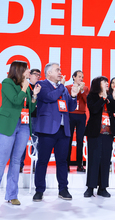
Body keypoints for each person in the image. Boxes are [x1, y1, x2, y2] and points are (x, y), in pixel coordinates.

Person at [0, 61, 41, 205]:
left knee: (16, 161)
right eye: (27, 69)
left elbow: (30, 108)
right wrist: (24, 89)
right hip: (7, 124)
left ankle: (12, 194)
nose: (29, 72)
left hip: (23, 125)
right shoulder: (8, 82)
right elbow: (15, 101)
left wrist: (33, 96)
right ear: (19, 70)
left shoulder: (26, 86)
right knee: (1, 160)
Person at [32, 62, 78, 202]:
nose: (60, 72)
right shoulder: (41, 84)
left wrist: (74, 96)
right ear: (49, 73)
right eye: (57, 70)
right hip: (47, 129)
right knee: (42, 161)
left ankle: (63, 189)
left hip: (63, 130)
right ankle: (39, 190)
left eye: (60, 69)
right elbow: (49, 97)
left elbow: (70, 106)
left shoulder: (62, 89)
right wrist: (63, 86)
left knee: (63, 161)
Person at [83, 76, 115, 198]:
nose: (106, 83)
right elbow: (93, 110)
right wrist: (103, 98)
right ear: (97, 84)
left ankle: (103, 187)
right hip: (95, 133)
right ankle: (90, 187)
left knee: (105, 160)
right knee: (93, 160)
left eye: (106, 82)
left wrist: (113, 98)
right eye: (104, 82)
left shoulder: (110, 96)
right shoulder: (92, 96)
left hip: (108, 133)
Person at [66, 70, 89, 173]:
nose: (81, 78)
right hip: (70, 114)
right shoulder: (68, 88)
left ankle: (80, 165)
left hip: (81, 116)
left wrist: (82, 90)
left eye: (82, 77)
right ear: (74, 77)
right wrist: (76, 90)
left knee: (80, 140)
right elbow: (67, 100)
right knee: (68, 140)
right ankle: (66, 164)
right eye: (79, 76)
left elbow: (86, 100)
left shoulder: (85, 89)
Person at [19, 68, 42, 173]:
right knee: (22, 141)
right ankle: (19, 165)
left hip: (37, 117)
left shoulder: (41, 87)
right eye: (35, 74)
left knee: (35, 142)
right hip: (25, 116)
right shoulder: (24, 86)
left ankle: (35, 165)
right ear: (30, 75)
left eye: (39, 75)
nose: (37, 76)